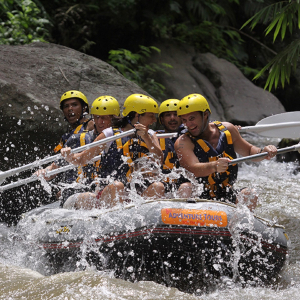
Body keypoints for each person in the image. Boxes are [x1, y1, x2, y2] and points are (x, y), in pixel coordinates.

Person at [174, 93, 278, 210]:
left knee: (250, 194)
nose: (188, 124)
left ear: (205, 115)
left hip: (225, 193)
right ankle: (182, 223)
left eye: (192, 118)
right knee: (185, 188)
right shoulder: (183, 142)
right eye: (184, 120)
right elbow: (193, 169)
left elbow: (249, 151)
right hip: (198, 194)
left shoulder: (227, 130)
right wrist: (214, 166)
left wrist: (263, 152)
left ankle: (240, 227)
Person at [61, 93, 165, 209]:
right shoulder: (110, 134)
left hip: (136, 194)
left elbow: (159, 160)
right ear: (137, 115)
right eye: (151, 115)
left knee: (158, 186)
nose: (154, 120)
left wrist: (146, 138)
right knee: (117, 186)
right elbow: (81, 159)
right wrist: (69, 155)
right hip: (109, 192)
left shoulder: (150, 134)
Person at [34, 90, 94, 198]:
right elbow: (55, 167)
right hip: (73, 184)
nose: (70, 108)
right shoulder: (66, 137)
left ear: (84, 108)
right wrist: (43, 172)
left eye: (74, 105)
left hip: (91, 181)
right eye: (66, 106)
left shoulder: (93, 125)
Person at [157, 99, 192, 198]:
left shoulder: (192, 136)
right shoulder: (153, 137)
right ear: (162, 119)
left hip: (184, 185)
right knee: (157, 186)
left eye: (176, 114)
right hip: (161, 186)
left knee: (186, 187)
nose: (172, 118)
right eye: (168, 115)